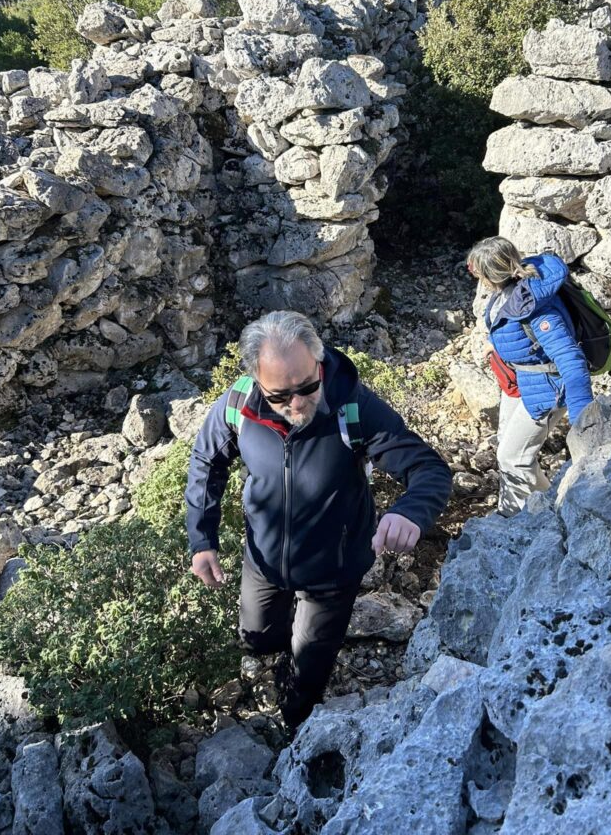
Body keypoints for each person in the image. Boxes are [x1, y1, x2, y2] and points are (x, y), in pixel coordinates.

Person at [184, 310, 451, 731]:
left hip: (334, 568)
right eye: (279, 396)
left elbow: (428, 469)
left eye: (308, 387)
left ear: (319, 362)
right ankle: (275, 661)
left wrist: (409, 511)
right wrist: (202, 541)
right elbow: (206, 462)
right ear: (256, 380)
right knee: (257, 637)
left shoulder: (352, 406)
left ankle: (296, 732)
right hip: (264, 559)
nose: (296, 403)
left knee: (309, 666)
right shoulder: (237, 405)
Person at [467, 237, 593, 518]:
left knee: (513, 458)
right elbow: (509, 326)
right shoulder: (506, 293)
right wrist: (495, 344)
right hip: (525, 382)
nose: (473, 274)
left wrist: (583, 417)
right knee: (507, 446)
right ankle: (533, 504)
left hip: (548, 389)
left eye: (475, 270)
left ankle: (528, 518)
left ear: (490, 275)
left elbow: (571, 360)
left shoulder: (538, 310)